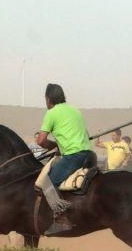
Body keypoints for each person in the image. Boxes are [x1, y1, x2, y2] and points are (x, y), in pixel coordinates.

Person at [36, 83, 94, 234]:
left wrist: (53, 145)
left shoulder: (52, 113)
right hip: (89, 155)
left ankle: (62, 220)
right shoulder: (76, 111)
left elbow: (41, 141)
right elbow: (84, 134)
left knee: (46, 182)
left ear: (49, 99)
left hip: (74, 156)